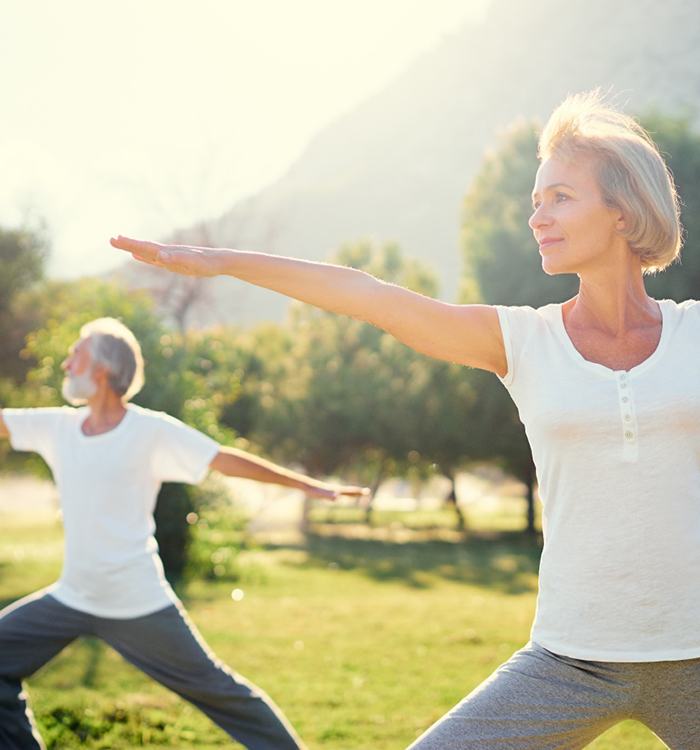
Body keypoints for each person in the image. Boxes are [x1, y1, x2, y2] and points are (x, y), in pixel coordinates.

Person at [111, 90, 700, 748]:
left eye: (560, 197)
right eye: (535, 201)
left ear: (622, 211)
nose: (538, 217)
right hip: (570, 659)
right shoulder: (524, 341)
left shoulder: (694, 335)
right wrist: (221, 262)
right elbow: (369, 295)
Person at [0, 317, 368, 750]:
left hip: (137, 602)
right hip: (72, 595)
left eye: (75, 353)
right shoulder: (58, 427)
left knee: (224, 695)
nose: (65, 364)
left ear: (100, 370)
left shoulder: (149, 430)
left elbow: (224, 459)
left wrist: (308, 486)